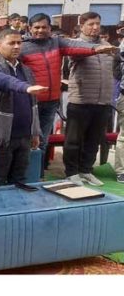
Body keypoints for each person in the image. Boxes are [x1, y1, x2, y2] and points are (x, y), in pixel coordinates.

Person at [19, 13, 112, 175]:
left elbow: (72, 46)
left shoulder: (56, 42)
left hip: (51, 102)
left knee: (43, 142)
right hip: (30, 102)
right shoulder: (21, 46)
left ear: (50, 28)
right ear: (29, 28)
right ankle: (23, 176)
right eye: (37, 27)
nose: (41, 30)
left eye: (44, 27)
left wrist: (95, 49)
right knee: (26, 141)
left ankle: (37, 175)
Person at [0, 29, 47, 187]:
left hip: (24, 136)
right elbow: (6, 81)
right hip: (1, 136)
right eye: (11, 43)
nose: (17, 46)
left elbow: (33, 105)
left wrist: (35, 133)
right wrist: (25, 87)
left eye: (19, 43)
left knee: (19, 180)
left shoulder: (26, 70)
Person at [62, 12, 120, 186]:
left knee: (94, 140)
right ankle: (71, 173)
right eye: (91, 24)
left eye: (97, 24)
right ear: (81, 26)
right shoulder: (74, 44)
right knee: (73, 140)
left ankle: (86, 170)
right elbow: (75, 55)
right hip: (80, 99)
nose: (95, 27)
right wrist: (94, 50)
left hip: (102, 101)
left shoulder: (107, 45)